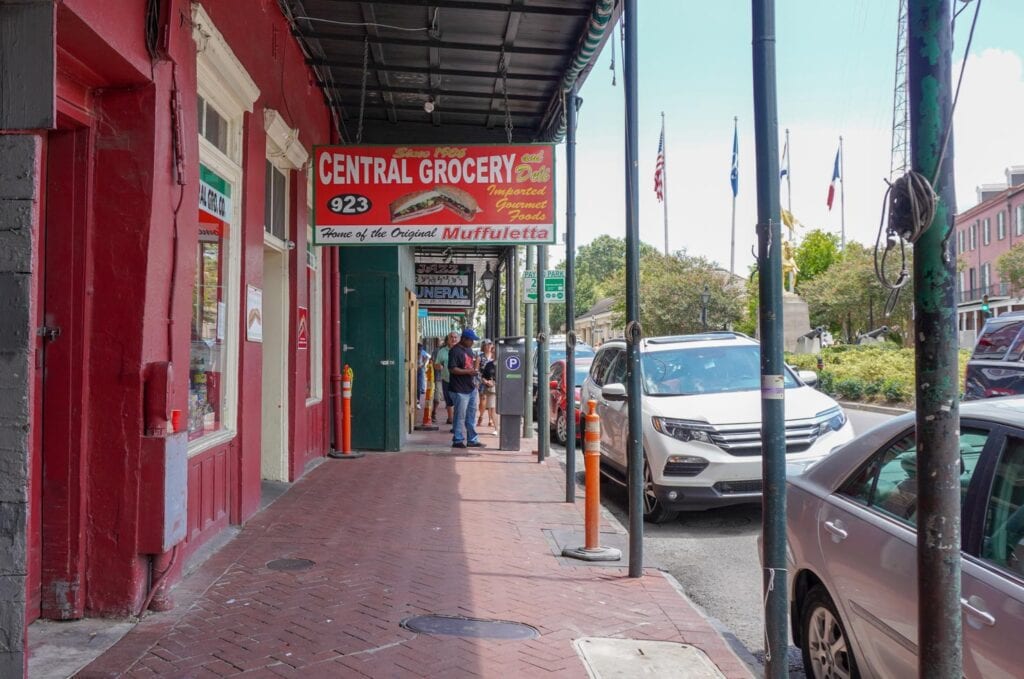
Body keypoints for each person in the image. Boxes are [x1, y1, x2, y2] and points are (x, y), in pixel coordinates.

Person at [448, 328, 484, 448]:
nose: (472, 343)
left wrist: (476, 366)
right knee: (460, 415)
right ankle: (457, 440)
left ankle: (472, 439)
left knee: (471, 415)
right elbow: (452, 369)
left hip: (470, 387)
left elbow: (470, 366)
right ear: (464, 339)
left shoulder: (469, 350)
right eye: (471, 340)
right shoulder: (454, 351)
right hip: (459, 389)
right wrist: (468, 372)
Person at [433, 331, 459, 425]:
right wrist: (438, 366)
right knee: (449, 400)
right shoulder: (442, 351)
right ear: (448, 340)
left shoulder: (461, 350)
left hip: (459, 381)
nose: (453, 339)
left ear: (458, 339)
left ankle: (456, 419)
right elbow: (436, 364)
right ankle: (450, 418)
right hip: (446, 379)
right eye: (451, 337)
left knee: (458, 401)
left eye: (455, 337)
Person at [478, 340, 498, 432]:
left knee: (492, 405)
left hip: (497, 386)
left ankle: (491, 420)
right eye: (486, 345)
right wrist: (485, 381)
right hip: (487, 385)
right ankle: (482, 416)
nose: (488, 347)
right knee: (484, 399)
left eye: (489, 345)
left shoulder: (501, 363)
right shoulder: (481, 358)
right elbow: (478, 372)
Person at [416, 342, 429, 409]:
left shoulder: (422, 352)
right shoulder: (413, 352)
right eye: (419, 349)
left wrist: (423, 364)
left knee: (419, 387)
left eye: (420, 349)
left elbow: (427, 357)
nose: (419, 350)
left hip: (420, 370)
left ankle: (418, 402)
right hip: (414, 370)